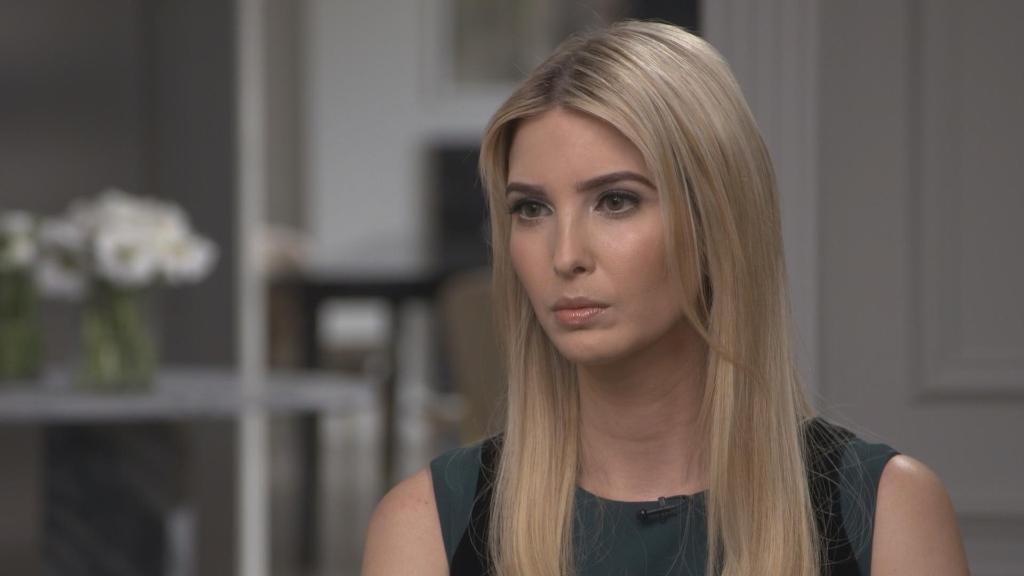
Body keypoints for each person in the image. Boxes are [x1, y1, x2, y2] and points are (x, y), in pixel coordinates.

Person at [363, 20, 969, 576]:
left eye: (616, 201)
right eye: (532, 209)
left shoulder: (886, 512)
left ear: (717, 219)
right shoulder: (426, 527)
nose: (564, 254)